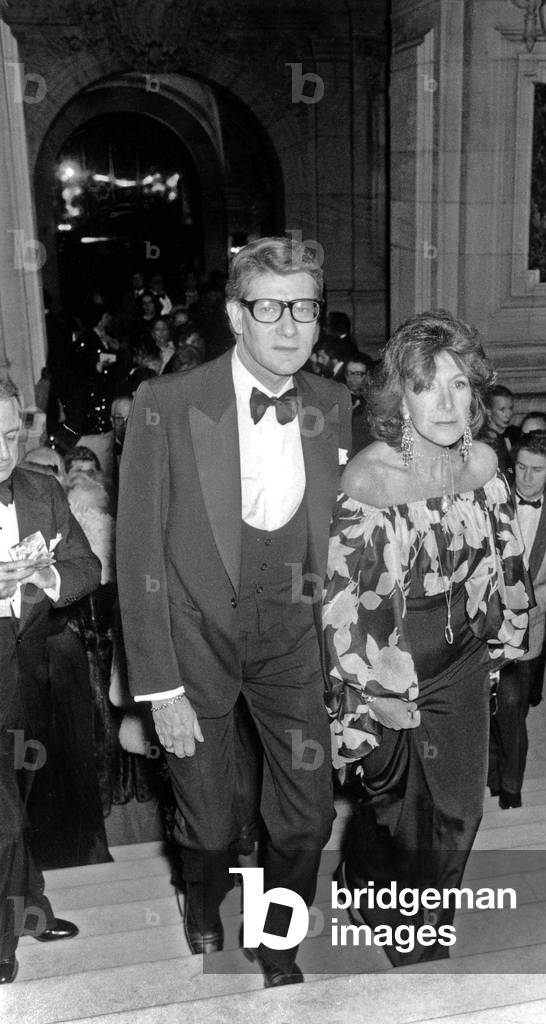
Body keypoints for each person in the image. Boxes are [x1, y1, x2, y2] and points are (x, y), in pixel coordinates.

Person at [117, 237, 351, 988]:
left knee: (308, 813)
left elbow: (346, 536)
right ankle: (198, 892)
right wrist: (159, 689)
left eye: (305, 307)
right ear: (233, 315)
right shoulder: (169, 403)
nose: (290, 326)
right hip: (194, 645)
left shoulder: (333, 403)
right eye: (269, 307)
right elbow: (137, 556)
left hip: (293, 644)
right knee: (210, 823)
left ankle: (277, 938)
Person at [323, 311, 530, 966]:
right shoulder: (370, 479)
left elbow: (506, 555)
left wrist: (512, 627)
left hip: (463, 657)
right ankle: (363, 882)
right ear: (398, 397)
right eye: (426, 386)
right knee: (393, 810)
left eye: (459, 384)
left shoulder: (483, 463)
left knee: (458, 812)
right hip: (389, 663)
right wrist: (372, 691)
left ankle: (422, 929)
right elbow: (343, 605)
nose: (446, 401)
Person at [0, 379, 101, 983]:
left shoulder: (40, 489)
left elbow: (86, 566)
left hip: (27, 675)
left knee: (19, 803)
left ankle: (29, 905)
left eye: (10, 435)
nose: (2, 452)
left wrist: (38, 583)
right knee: (3, 818)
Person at [488, 430, 546, 808]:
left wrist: (530, 608)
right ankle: (488, 772)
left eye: (537, 470)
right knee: (486, 704)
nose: (527, 477)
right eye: (520, 467)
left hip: (530, 628)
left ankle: (511, 784)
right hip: (485, 626)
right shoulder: (490, 505)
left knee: (514, 705)